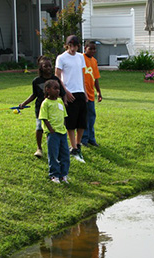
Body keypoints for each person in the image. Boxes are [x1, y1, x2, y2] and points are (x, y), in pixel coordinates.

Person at [19, 56, 66, 158]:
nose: (48, 68)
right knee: (39, 127)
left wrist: (65, 103)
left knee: (54, 129)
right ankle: (39, 148)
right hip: (41, 108)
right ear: (41, 67)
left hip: (54, 109)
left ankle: (55, 147)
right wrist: (23, 104)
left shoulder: (55, 79)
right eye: (45, 66)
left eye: (50, 66)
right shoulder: (36, 81)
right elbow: (34, 95)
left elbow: (63, 93)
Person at [55, 35, 87, 163]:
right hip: (69, 92)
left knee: (82, 121)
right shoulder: (61, 58)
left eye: (75, 46)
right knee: (71, 122)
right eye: (70, 46)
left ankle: (78, 144)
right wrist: (65, 92)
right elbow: (57, 76)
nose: (73, 49)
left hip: (80, 91)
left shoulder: (80, 57)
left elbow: (82, 75)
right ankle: (73, 147)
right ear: (66, 45)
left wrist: (85, 91)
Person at [38, 80, 70, 184]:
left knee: (65, 154)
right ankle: (54, 175)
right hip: (53, 133)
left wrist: (64, 125)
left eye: (58, 88)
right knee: (53, 155)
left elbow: (64, 115)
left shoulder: (60, 101)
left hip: (62, 132)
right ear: (47, 90)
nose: (57, 91)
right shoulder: (45, 103)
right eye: (55, 88)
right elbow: (44, 117)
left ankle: (63, 175)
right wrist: (50, 129)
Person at [81, 41, 103, 147]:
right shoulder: (80, 58)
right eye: (91, 49)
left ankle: (91, 138)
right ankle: (83, 139)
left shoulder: (94, 61)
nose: (93, 51)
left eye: (94, 49)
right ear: (85, 48)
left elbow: (96, 78)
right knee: (84, 117)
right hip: (82, 93)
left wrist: (98, 92)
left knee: (91, 117)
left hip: (91, 93)